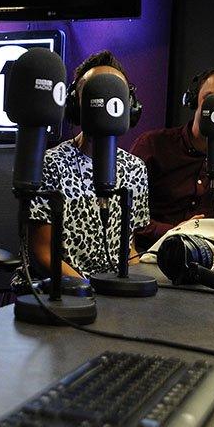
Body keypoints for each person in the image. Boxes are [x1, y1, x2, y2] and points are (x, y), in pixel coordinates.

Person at [27, 51, 150, 278]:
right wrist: (88, 290)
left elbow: (129, 249)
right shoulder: (50, 164)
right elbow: (43, 253)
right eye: (95, 92)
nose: (102, 104)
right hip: (60, 290)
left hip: (112, 294)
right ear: (75, 104)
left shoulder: (135, 168)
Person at [130, 64, 214, 248]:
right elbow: (129, 215)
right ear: (194, 100)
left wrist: (209, 233)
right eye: (211, 99)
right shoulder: (152, 144)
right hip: (155, 253)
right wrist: (177, 233)